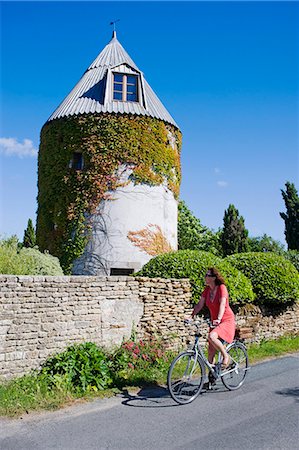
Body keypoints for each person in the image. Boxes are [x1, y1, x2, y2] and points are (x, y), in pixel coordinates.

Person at [191, 267, 235, 368]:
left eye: (208, 275)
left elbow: (222, 304)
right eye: (205, 275)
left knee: (212, 336)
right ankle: (212, 378)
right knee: (210, 352)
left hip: (225, 320)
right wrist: (191, 316)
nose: (205, 277)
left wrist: (219, 318)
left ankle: (225, 356)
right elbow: (199, 305)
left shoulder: (221, 288)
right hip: (214, 321)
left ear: (214, 278)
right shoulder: (207, 290)